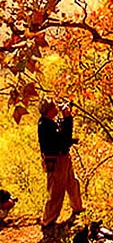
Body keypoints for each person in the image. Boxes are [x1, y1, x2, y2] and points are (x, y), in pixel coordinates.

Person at [38, 97, 84, 229]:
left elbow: (62, 137)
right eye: (54, 107)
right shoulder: (46, 126)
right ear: (48, 110)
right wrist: (68, 118)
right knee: (56, 191)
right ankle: (48, 221)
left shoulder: (48, 123)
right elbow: (64, 138)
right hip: (56, 160)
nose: (56, 109)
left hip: (63, 158)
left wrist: (65, 119)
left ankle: (78, 208)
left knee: (72, 183)